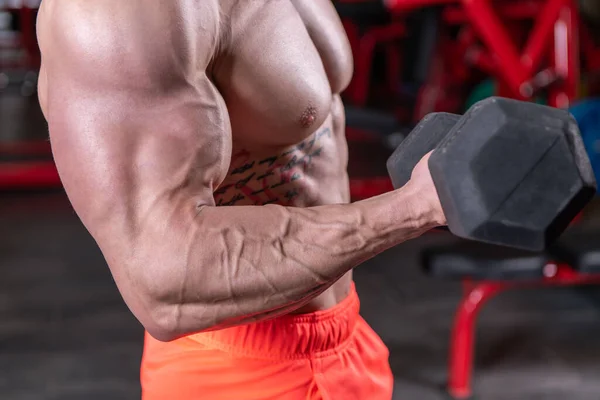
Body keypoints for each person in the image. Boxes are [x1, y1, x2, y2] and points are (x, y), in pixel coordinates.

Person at [36, 1, 446, 399]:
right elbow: (159, 280)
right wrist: (410, 208)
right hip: (234, 369)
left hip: (343, 337)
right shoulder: (117, 14)